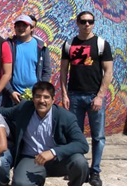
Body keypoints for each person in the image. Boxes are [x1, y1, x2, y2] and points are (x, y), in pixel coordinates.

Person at [0, 81, 89, 186]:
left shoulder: (65, 117)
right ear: (33, 98)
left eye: (46, 97)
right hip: (31, 159)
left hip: (58, 160)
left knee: (79, 162)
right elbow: (3, 112)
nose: (41, 101)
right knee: (20, 183)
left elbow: (82, 144)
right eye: (38, 96)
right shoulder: (24, 108)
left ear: (53, 99)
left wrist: (53, 152)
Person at [60, 11, 112, 186]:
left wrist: (99, 96)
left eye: (90, 21)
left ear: (93, 23)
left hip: (94, 96)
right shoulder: (69, 44)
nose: (87, 24)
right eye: (83, 21)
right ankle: (77, 169)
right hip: (74, 95)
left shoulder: (102, 44)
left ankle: (95, 171)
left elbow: (108, 72)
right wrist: (64, 94)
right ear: (78, 23)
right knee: (75, 135)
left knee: (98, 137)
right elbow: (63, 71)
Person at [5, 15, 51, 107]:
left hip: (35, 96)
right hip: (13, 95)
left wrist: (40, 91)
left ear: (31, 28)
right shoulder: (8, 45)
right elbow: (2, 71)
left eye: (24, 26)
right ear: (15, 27)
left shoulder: (41, 47)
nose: (21, 28)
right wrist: (10, 91)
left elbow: (46, 71)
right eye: (18, 25)